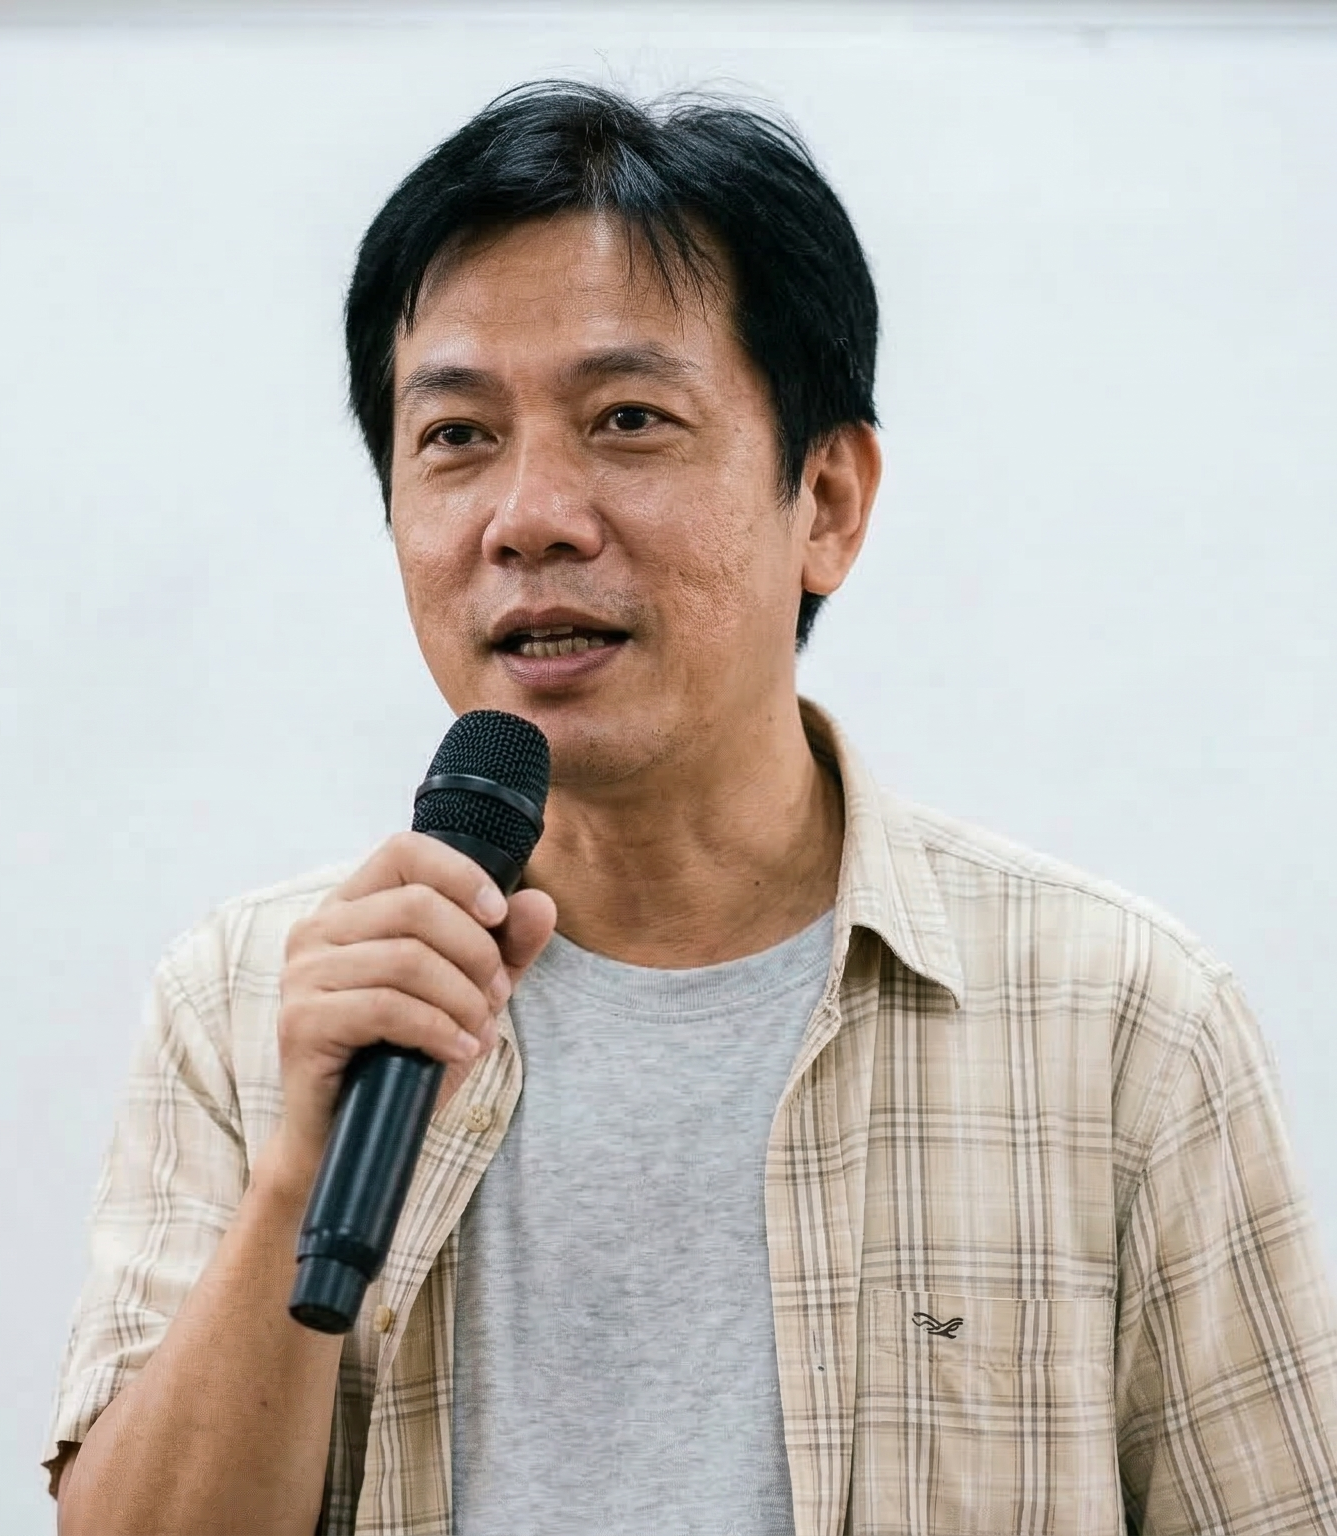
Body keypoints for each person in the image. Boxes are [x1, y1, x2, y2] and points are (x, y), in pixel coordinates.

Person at [44, 80, 1337, 1536]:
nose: (530, 518)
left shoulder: (1121, 1024)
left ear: (827, 501)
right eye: (456, 436)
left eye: (628, 419)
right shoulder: (248, 1004)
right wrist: (299, 1174)